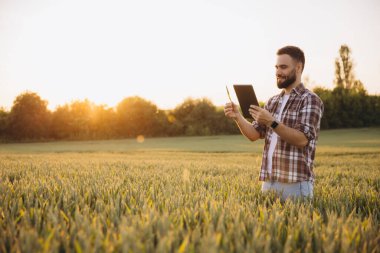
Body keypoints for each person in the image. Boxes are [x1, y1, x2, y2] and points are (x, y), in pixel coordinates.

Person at [224, 46, 324, 201]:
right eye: (276, 67)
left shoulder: (310, 99)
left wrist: (271, 122)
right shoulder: (273, 101)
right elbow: (254, 134)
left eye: (283, 67)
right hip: (269, 182)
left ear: (298, 67)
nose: (278, 72)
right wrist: (238, 117)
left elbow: (302, 139)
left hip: (296, 184)